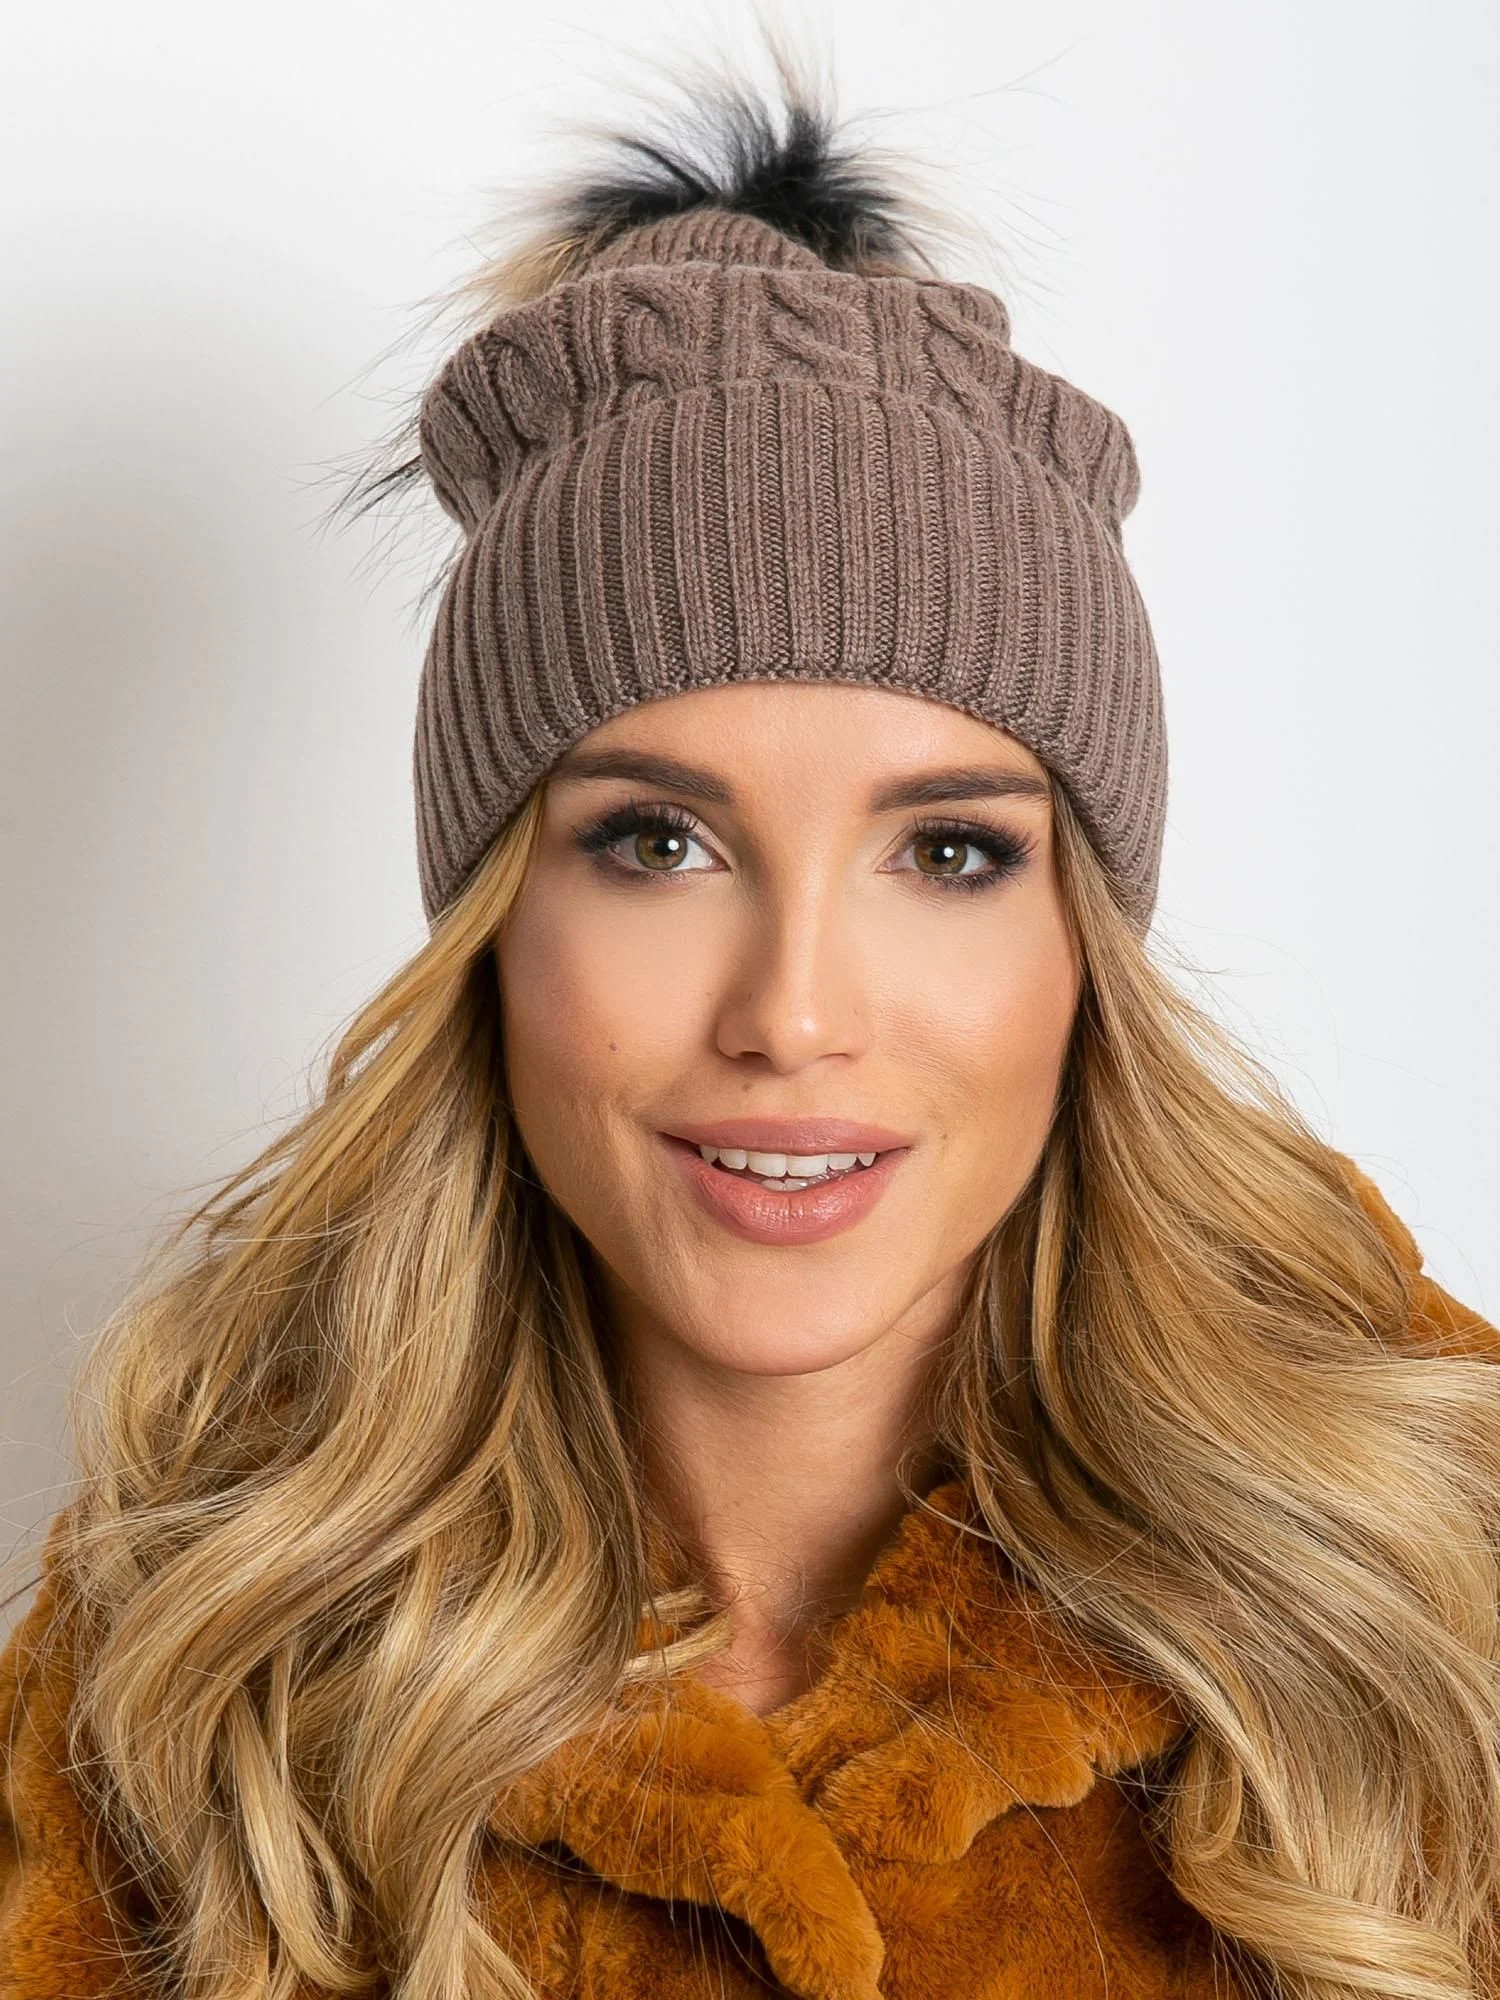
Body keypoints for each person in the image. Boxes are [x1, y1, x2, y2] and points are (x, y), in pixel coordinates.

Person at [2, 40, 1498, 2000]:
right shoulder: (192, 1667)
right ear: (496, 921)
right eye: (658, 843)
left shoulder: (1429, 1595)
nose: (792, 1013)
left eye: (948, 852)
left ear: (1084, 942)